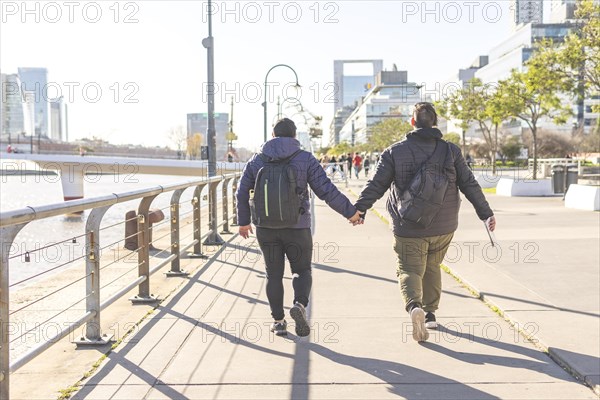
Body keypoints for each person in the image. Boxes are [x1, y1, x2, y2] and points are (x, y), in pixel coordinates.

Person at [354, 103, 496, 342]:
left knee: (409, 268)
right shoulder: (451, 151)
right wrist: (486, 213)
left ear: (412, 122)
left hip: (408, 224)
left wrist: (359, 209)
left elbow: (376, 185)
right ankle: (430, 314)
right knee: (432, 265)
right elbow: (469, 184)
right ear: (435, 123)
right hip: (444, 224)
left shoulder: (393, 152)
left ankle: (414, 307)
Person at [236, 118, 362, 337]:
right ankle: (300, 305)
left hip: (265, 227)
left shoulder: (257, 160)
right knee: (301, 270)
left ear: (273, 135)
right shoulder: (305, 158)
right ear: (295, 137)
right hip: (298, 225)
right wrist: (350, 212)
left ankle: (278, 322)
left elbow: (241, 191)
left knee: (273, 274)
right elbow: (326, 190)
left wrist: (244, 221)